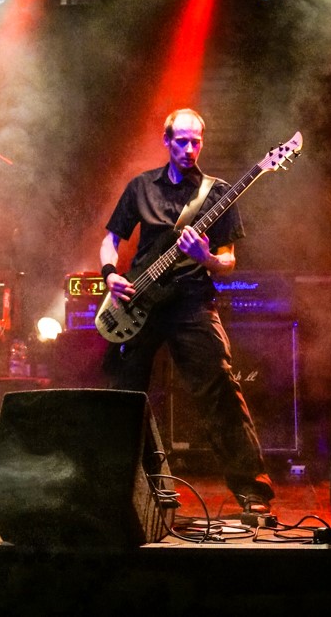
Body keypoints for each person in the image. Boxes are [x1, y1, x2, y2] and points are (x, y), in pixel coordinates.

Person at [99, 108, 274, 514]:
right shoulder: (141, 187)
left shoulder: (218, 194)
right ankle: (130, 489)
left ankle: (252, 490)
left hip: (192, 302)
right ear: (166, 141)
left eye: (196, 141)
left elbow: (229, 260)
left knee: (220, 389)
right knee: (125, 395)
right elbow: (111, 240)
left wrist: (206, 257)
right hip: (139, 302)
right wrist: (110, 274)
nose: (190, 149)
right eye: (181, 141)